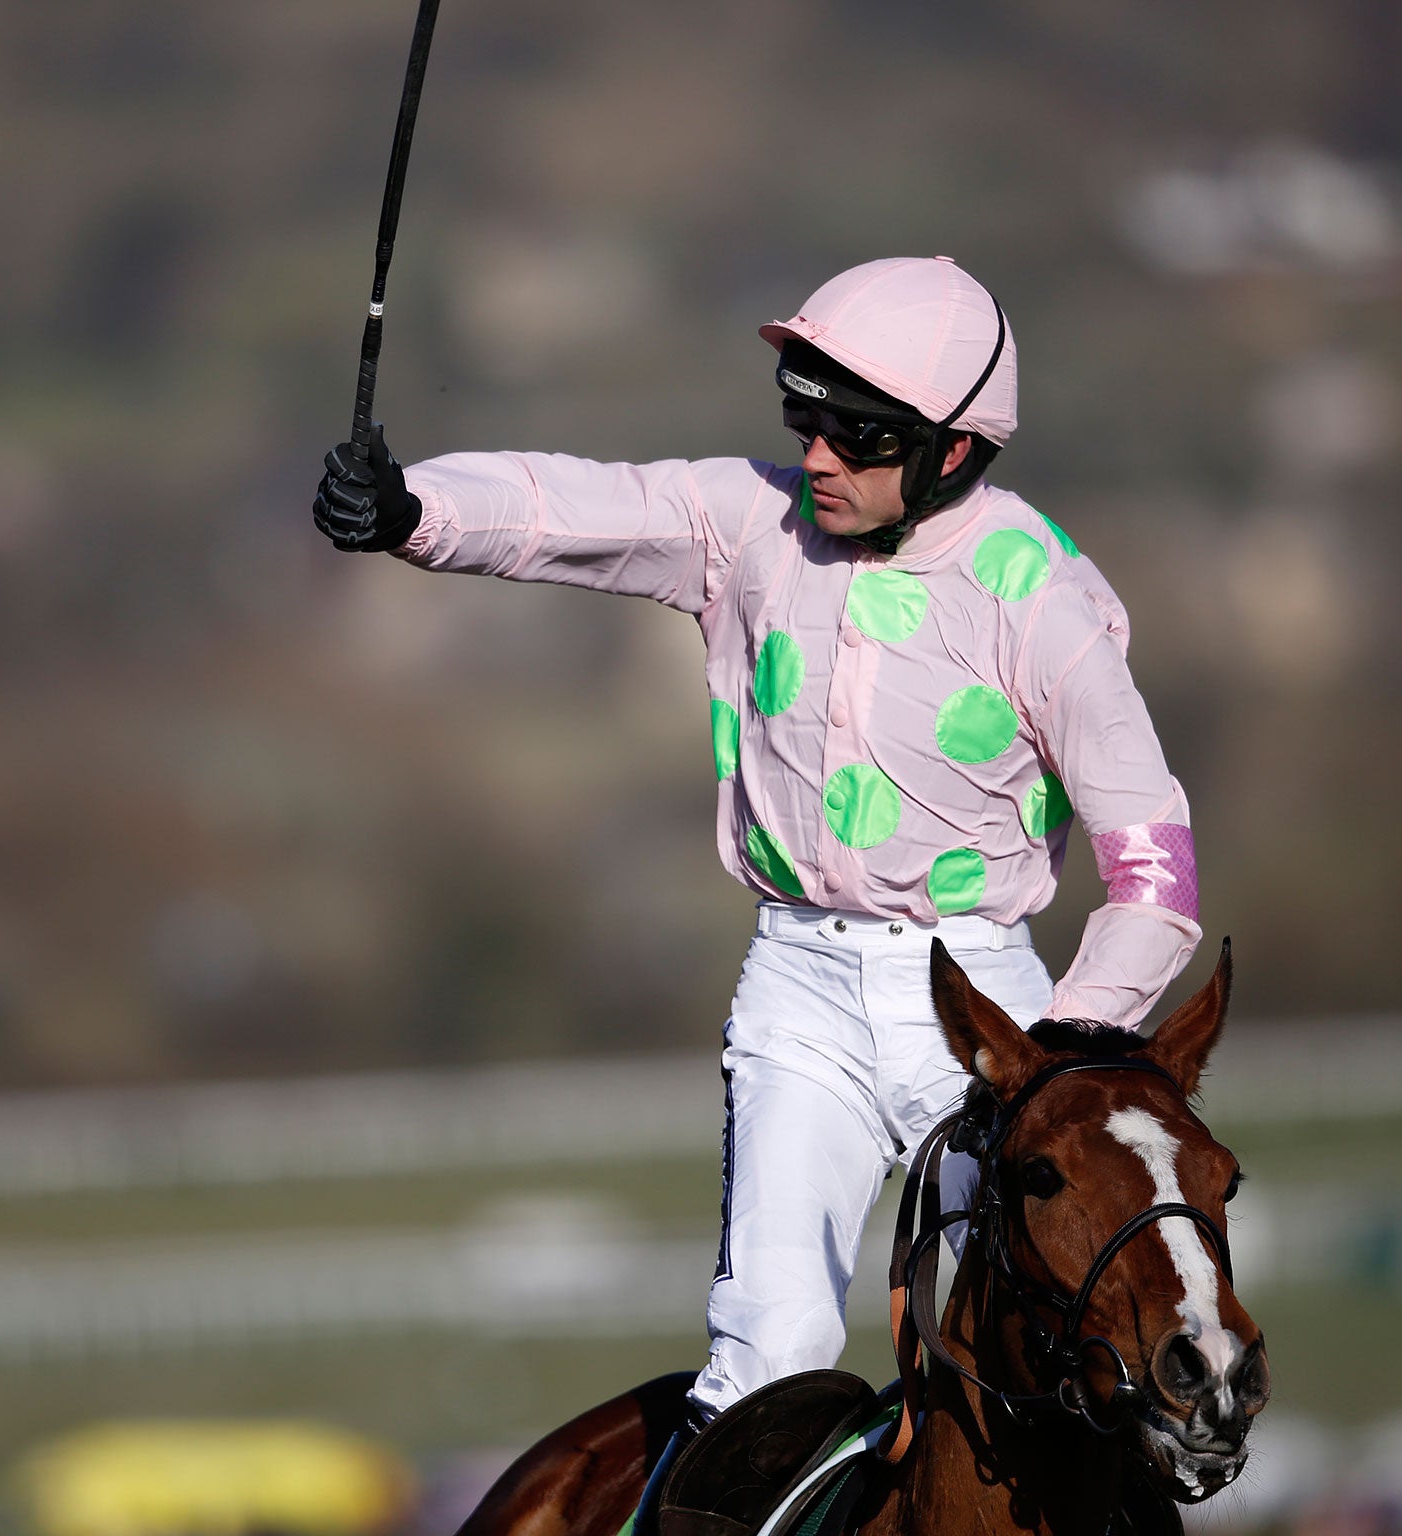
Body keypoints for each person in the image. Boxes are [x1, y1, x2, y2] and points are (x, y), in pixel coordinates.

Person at [312, 256, 1201, 1435]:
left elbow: (1155, 879)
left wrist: (1057, 1050)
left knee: (1044, 1361)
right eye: (806, 420)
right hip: (801, 992)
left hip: (983, 1009)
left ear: (950, 451)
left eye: (859, 436)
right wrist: (412, 508)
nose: (819, 457)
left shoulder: (1042, 601)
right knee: (766, 1364)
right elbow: (579, 504)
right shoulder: (751, 524)